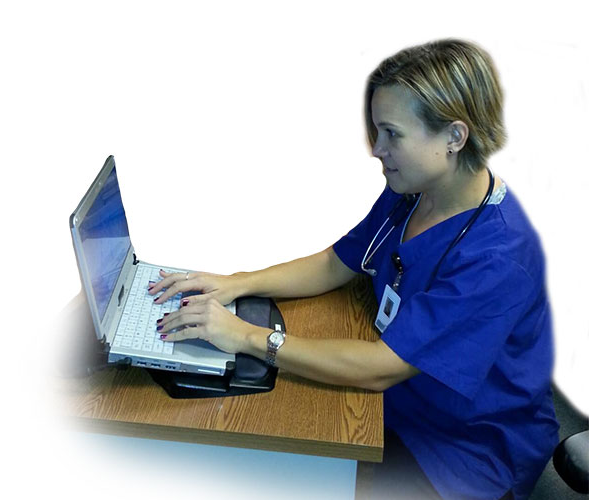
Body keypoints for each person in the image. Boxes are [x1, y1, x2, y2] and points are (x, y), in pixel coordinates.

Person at [146, 39, 559, 500]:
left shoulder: (497, 258)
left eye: (392, 134)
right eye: (376, 131)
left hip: (464, 450)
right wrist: (235, 284)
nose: (377, 149)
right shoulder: (415, 191)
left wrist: (245, 336)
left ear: (454, 137)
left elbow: (382, 368)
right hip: (393, 403)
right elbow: (336, 262)